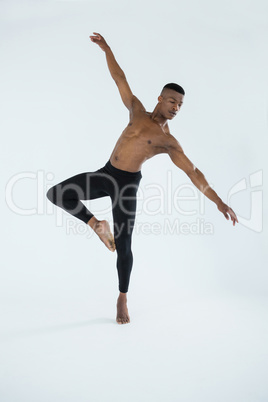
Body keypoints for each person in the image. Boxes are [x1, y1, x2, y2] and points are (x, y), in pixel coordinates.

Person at [46, 32, 238, 325]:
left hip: (126, 187)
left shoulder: (167, 141)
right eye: (172, 101)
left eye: (180, 105)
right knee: (57, 193)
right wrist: (106, 48)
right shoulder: (136, 111)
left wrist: (219, 202)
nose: (175, 107)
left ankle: (122, 297)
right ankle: (96, 224)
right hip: (106, 174)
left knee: (124, 245)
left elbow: (193, 173)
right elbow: (119, 78)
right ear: (160, 99)